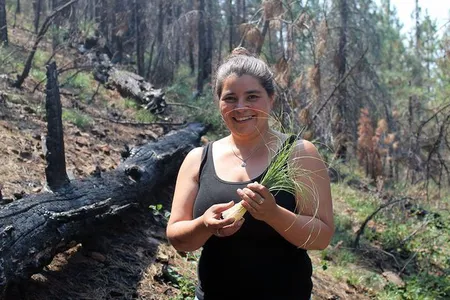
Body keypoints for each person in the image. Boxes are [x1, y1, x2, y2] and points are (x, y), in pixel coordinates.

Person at [166, 47, 334, 300]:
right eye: (230, 98)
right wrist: (205, 225)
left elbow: (321, 237)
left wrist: (273, 214)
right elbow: (179, 239)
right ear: (219, 102)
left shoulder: (299, 153)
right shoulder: (198, 159)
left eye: (252, 96)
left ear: (271, 99)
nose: (241, 107)